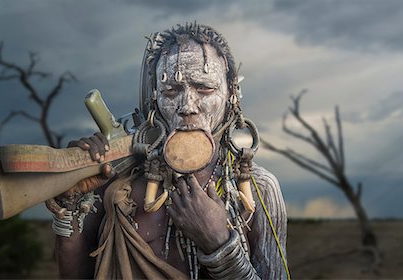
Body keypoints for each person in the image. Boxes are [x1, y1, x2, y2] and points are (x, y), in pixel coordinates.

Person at [48, 23, 288, 279]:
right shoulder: (118, 182)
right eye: (171, 90)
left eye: (204, 88)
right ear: (153, 99)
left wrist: (219, 243)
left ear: (232, 95)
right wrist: (71, 202)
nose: (187, 106)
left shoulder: (259, 189)